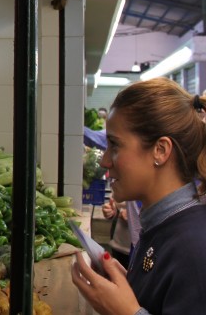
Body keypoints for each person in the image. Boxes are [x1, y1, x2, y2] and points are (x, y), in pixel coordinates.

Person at [71, 77, 206, 314]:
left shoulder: (195, 247)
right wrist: (131, 286)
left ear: (160, 150)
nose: (104, 160)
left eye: (115, 145)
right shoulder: (162, 225)